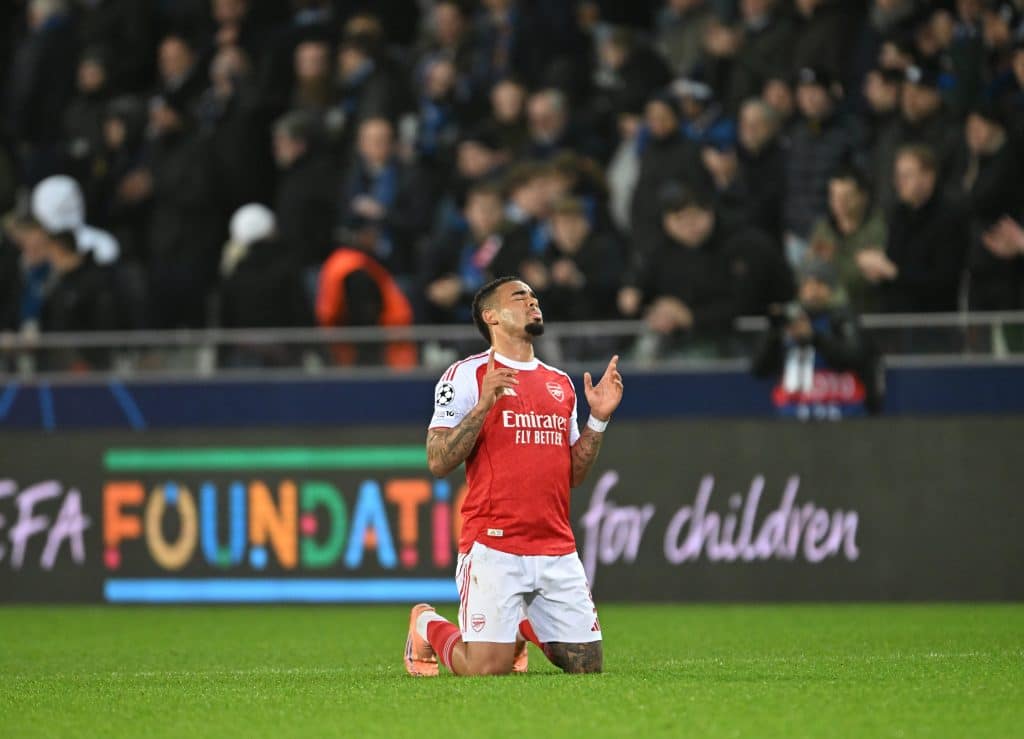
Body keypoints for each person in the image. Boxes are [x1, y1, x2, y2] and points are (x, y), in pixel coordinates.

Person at [405, 275, 623, 677]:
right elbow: (437, 460)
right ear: (490, 315)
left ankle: (517, 626)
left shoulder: (560, 383)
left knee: (586, 667)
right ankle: (425, 624)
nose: (532, 301)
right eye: (519, 296)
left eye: (534, 296)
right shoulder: (466, 376)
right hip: (494, 545)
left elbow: (573, 473)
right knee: (485, 669)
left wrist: (598, 419)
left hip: (555, 545)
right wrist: (484, 404)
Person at [753, 255, 882, 420]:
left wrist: (814, 337)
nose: (812, 291)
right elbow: (759, 369)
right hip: (792, 415)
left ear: (830, 289)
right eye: (807, 284)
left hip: (843, 413)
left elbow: (854, 356)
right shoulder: (787, 322)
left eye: (819, 284)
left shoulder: (842, 318)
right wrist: (773, 333)